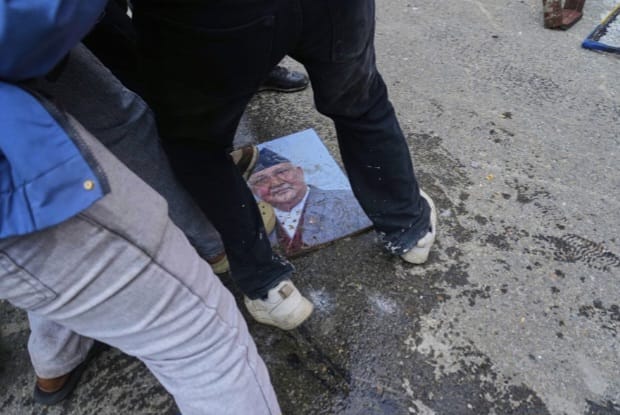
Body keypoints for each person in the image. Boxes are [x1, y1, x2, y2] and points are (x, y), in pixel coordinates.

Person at [0, 2, 280, 414]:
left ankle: (55, 360)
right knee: (202, 336)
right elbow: (25, 20)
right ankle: (214, 239)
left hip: (18, 107)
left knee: (116, 114)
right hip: (16, 173)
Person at [130, 0, 438, 330]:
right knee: (359, 102)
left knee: (196, 143)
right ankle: (409, 228)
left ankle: (269, 289)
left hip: (210, 15)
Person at [248, 148, 372, 255]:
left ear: (300, 172)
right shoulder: (252, 225)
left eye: (281, 172)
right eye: (261, 180)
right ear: (253, 190)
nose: (276, 183)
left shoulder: (351, 201)